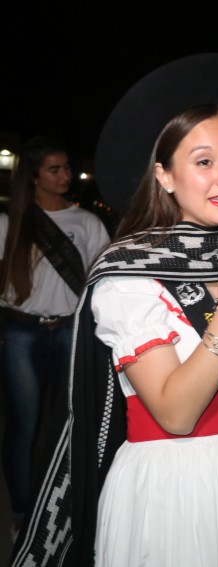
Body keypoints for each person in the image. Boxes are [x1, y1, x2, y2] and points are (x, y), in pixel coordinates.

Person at [11, 53, 218, 567]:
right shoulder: (130, 276)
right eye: (204, 161)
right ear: (165, 176)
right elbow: (174, 413)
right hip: (172, 487)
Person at [0, 136, 110, 542]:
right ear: (33, 177)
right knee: (22, 426)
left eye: (67, 168)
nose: (65, 175)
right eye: (55, 169)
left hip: (69, 330)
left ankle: (68, 505)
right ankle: (23, 512)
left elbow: (102, 280)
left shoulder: (87, 222)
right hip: (21, 331)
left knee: (71, 422)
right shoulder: (9, 222)